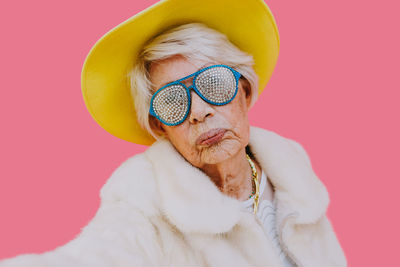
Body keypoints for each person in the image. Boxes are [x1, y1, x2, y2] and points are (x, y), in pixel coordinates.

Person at [0, 0, 347, 266]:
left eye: (214, 83)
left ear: (245, 90)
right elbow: (93, 256)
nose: (198, 112)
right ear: (159, 126)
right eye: (171, 102)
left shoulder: (293, 174)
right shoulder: (145, 200)